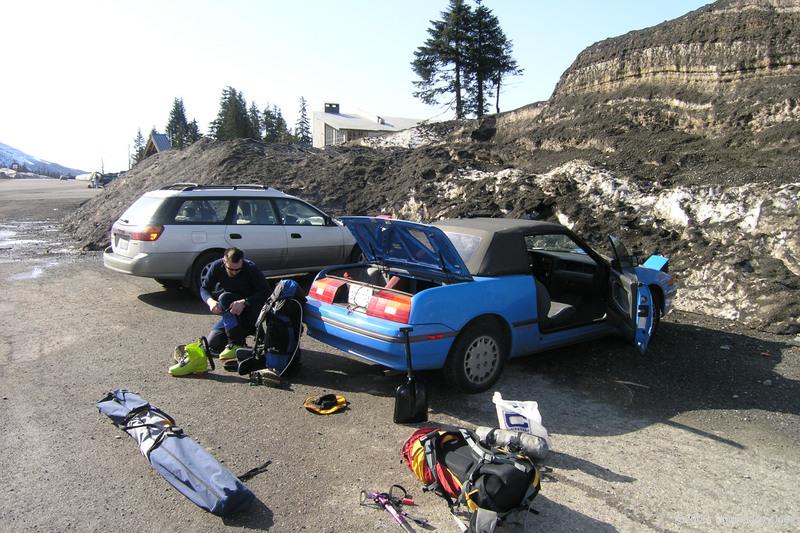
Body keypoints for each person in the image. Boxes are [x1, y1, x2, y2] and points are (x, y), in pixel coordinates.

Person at [200, 247, 271, 360]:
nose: (234, 272)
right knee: (211, 345)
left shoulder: (250, 267)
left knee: (224, 297)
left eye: (238, 269)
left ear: (242, 261)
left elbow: (267, 292)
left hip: (251, 310)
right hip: (231, 313)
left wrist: (245, 302)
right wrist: (211, 301)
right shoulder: (217, 266)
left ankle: (237, 343)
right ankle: (238, 339)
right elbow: (204, 288)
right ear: (224, 260)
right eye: (231, 269)